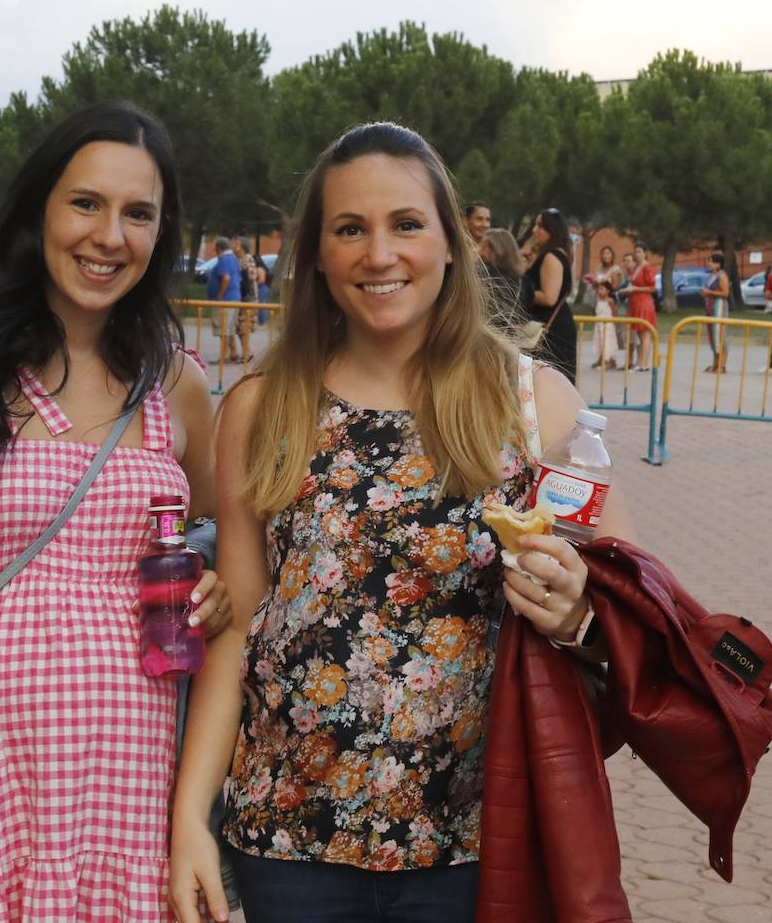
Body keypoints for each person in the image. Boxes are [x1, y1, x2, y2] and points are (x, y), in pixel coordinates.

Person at [168, 121, 637, 923]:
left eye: (406, 225)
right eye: (350, 229)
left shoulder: (532, 406)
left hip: (479, 847)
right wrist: (188, 819)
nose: (378, 254)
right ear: (316, 253)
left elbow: (630, 608)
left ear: (452, 243)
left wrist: (578, 611)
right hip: (290, 841)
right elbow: (236, 631)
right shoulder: (262, 407)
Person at [0, 100, 230, 922]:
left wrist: (215, 586)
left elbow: (213, 551)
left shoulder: (179, 388)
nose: (110, 236)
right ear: (38, 209)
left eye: (139, 214)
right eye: (86, 203)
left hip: (130, 793)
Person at [525, 208, 578, 384]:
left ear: (552, 228)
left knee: (551, 384)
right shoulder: (557, 253)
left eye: (540, 225)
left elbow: (549, 297)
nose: (534, 230)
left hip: (552, 332)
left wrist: (522, 294)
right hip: (554, 328)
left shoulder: (551, 256)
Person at [478, 227, 529, 330]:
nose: (481, 251)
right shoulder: (522, 281)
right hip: (509, 337)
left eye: (485, 247)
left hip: (486, 334)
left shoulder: (485, 276)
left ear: (497, 250)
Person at [619, 243, 658, 371]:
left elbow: (653, 287)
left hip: (644, 302)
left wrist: (636, 288)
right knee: (639, 335)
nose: (637, 254)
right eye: (635, 252)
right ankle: (639, 362)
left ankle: (644, 364)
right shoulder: (637, 267)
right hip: (635, 301)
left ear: (645, 253)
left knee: (645, 334)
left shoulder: (647, 267)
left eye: (639, 251)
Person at [206, 236, 243, 364]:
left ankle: (224, 356)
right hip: (234, 298)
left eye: (215, 247)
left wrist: (219, 296)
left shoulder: (224, 259)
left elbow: (226, 278)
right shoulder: (233, 258)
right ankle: (233, 353)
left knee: (224, 328)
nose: (214, 250)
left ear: (219, 248)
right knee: (229, 328)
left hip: (225, 299)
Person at [700, 252, 731, 373]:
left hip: (719, 307)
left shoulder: (721, 275)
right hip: (710, 307)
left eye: (711, 261)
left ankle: (722, 365)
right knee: (713, 336)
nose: (709, 263)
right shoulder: (711, 275)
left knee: (720, 335)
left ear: (718, 263)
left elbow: (725, 293)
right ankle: (715, 363)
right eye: (708, 261)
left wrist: (709, 293)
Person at [591, 279, 620, 369]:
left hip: (607, 325)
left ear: (608, 291)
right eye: (599, 289)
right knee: (599, 342)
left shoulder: (610, 300)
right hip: (599, 324)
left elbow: (614, 312)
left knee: (607, 342)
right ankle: (600, 359)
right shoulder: (598, 299)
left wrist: (615, 321)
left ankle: (608, 360)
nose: (600, 291)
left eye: (602, 289)